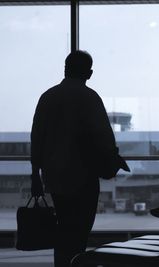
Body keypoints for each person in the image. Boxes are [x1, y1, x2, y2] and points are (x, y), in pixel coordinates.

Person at [30, 50, 129, 267]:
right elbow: (104, 137)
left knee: (64, 227)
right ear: (89, 73)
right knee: (80, 230)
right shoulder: (90, 98)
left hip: (55, 176)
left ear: (65, 68)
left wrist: (35, 174)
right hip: (84, 177)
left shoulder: (48, 97)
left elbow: (37, 137)